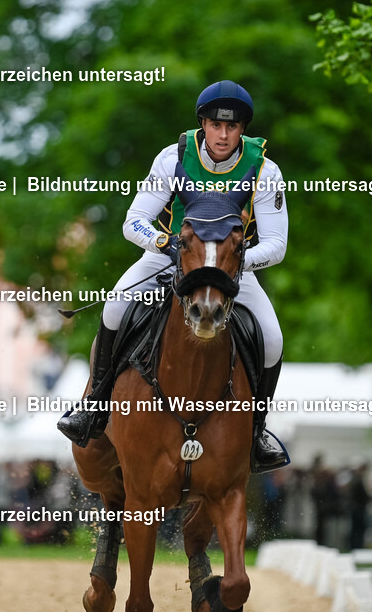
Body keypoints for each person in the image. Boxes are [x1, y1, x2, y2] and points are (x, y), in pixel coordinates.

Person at [57, 80, 288, 473]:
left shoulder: (265, 170)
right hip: (169, 256)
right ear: (203, 124)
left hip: (231, 266)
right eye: (215, 125)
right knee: (115, 307)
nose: (223, 135)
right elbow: (134, 222)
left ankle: (257, 430)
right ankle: (94, 405)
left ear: (242, 129)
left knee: (272, 338)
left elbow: (276, 245)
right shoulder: (172, 158)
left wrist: (228, 262)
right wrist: (165, 244)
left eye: (232, 127)